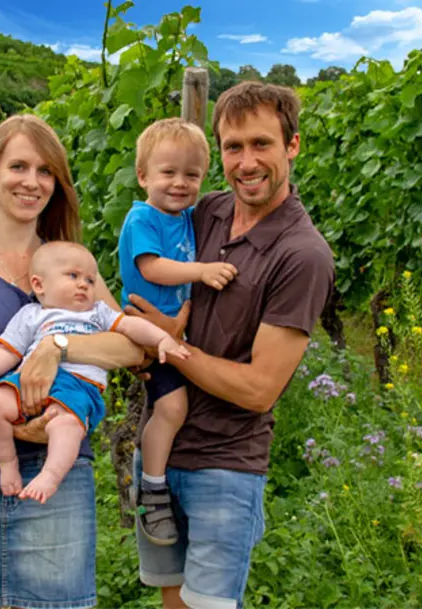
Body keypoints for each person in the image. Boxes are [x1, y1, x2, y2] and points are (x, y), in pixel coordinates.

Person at [0, 114, 144, 609]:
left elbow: (129, 347)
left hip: (58, 477)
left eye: (46, 172)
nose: (31, 181)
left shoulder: (71, 263)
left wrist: (56, 347)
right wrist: (12, 426)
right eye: (18, 166)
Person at [125, 81, 335, 609]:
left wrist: (169, 344)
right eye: (233, 147)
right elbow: (144, 280)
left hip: (225, 464)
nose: (246, 162)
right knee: (172, 601)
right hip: (163, 448)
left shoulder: (301, 255)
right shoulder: (206, 211)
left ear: (293, 146)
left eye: (261, 144)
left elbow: (260, 389)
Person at [0, 241, 190, 505]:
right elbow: (10, 352)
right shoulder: (30, 314)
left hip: (78, 385)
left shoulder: (99, 313)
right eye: (73, 276)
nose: (84, 284)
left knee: (66, 425)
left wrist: (162, 339)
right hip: (28, 379)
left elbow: (130, 325)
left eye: (90, 281)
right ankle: (7, 462)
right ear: (39, 285)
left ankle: (50, 474)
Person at [118, 118, 237, 546]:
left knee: (177, 410)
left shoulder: (188, 216)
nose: (180, 183)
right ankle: (151, 488)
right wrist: (202, 272)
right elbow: (153, 268)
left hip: (176, 332)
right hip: (148, 332)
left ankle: (158, 479)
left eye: (192, 175)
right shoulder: (141, 219)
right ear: (143, 176)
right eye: (168, 173)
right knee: (170, 409)